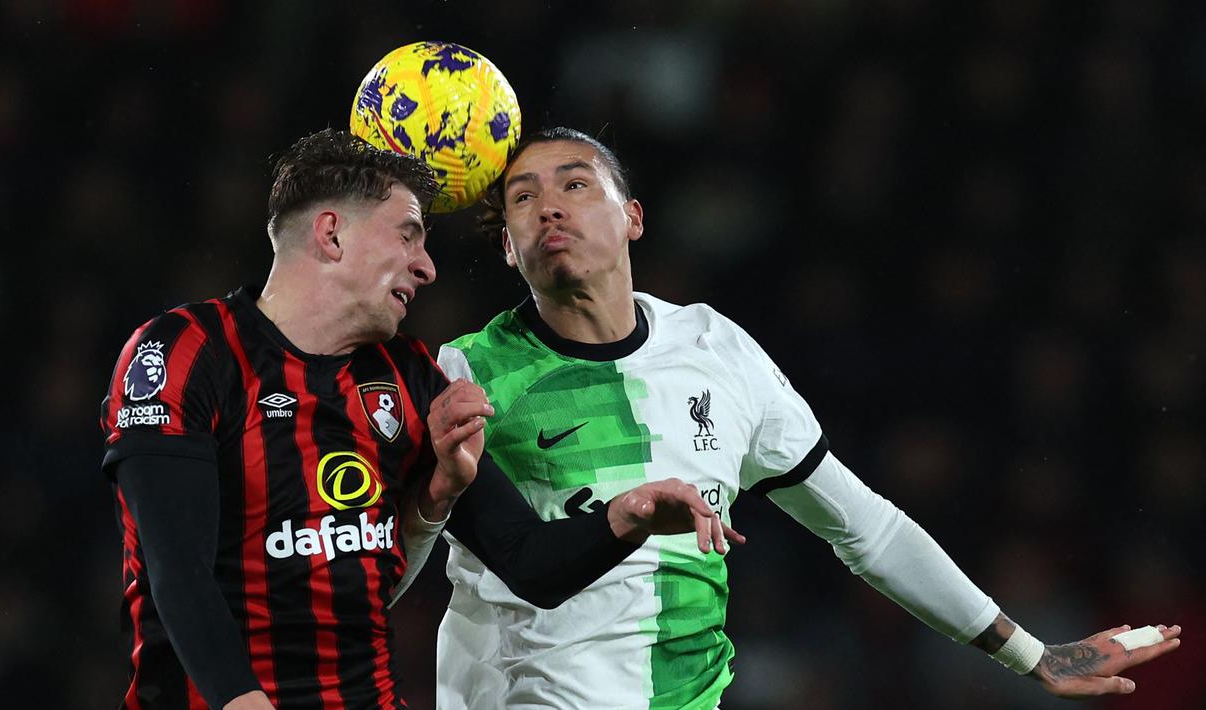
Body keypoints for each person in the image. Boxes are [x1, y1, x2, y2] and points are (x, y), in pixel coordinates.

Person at [433, 127, 1183, 708]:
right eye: (522, 198)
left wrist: (1031, 654)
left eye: (573, 183)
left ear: (631, 218)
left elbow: (863, 526)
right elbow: (496, 561)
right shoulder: (465, 375)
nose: (549, 207)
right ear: (505, 244)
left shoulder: (715, 351)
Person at [98, 128, 740, 710]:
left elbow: (532, 565)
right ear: (331, 235)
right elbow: (175, 571)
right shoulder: (185, 351)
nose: (427, 266)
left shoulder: (408, 377)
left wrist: (625, 514)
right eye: (408, 233)